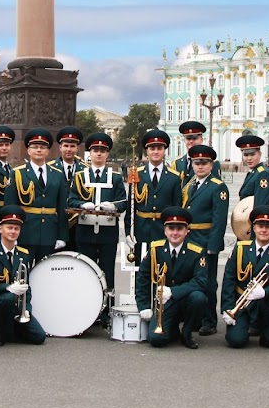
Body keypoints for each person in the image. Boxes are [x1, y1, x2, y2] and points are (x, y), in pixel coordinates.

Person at [68, 132, 127, 322]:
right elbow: (72, 199)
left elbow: (123, 202)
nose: (99, 154)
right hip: (85, 231)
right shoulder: (80, 176)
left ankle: (106, 312)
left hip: (107, 231)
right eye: (95, 151)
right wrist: (81, 205)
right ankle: (87, 309)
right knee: (87, 270)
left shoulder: (115, 177)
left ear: (107, 154)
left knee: (107, 271)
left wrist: (114, 206)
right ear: (89, 153)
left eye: (102, 151)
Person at [135, 207, 208, 349]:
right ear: (165, 230)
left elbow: (201, 282)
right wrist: (143, 306)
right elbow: (142, 279)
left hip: (186, 300)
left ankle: (187, 333)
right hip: (163, 304)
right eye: (171, 228)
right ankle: (173, 329)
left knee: (199, 298)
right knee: (156, 340)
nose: (175, 233)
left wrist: (173, 292)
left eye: (180, 229)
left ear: (187, 231)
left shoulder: (197, 252)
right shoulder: (155, 249)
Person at [221, 206, 269, 351]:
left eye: (268, 227)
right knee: (236, 341)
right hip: (241, 304)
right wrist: (227, 308)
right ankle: (240, 327)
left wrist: (263, 292)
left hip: (262, 303)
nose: (264, 230)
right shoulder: (240, 248)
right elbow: (229, 280)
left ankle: (267, 337)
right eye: (260, 226)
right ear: (254, 228)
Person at [0, 206, 46, 347]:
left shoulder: (24, 254)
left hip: (15, 306)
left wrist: (27, 309)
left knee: (39, 337)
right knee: (7, 298)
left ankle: (6, 332)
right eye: (9, 228)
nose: (13, 232)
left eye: (16, 229)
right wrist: (8, 288)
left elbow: (27, 287)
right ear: (0, 229)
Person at [182, 143, 228, 336]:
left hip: (206, 239)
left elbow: (219, 219)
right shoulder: (190, 184)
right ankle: (195, 318)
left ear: (211, 165)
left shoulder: (218, 186)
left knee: (208, 283)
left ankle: (209, 321)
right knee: (191, 280)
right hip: (190, 239)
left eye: (204, 163)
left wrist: (213, 246)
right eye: (196, 163)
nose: (200, 166)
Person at [6, 127, 67, 262]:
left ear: (48, 151)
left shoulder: (57, 174)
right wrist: (11, 235)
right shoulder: (17, 173)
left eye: (42, 147)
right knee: (22, 273)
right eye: (35, 147)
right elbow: (10, 207)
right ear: (28, 150)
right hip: (25, 233)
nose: (39, 150)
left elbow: (62, 207)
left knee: (45, 276)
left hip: (49, 233)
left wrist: (62, 236)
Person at [123, 129, 180, 265]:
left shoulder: (174, 177)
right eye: (152, 148)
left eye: (159, 148)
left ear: (164, 150)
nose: (155, 152)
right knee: (140, 272)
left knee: (163, 271)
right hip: (141, 231)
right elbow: (130, 207)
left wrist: (175, 232)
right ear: (147, 151)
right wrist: (128, 232)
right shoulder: (136, 174)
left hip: (164, 231)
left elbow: (177, 208)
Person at [51, 125, 85, 253]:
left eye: (72, 146)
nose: (68, 149)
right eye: (65, 146)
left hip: (79, 224)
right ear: (60, 147)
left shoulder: (85, 170)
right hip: (57, 223)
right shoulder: (50, 169)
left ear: (77, 148)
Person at [174, 120, 221, 186]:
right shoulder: (176, 164)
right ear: (184, 140)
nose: (191, 141)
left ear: (201, 139)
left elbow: (216, 187)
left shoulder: (212, 163)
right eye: (188, 139)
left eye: (194, 138)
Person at [236, 134, 269, 205]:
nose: (249, 158)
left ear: (260, 154)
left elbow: (262, 203)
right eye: (246, 155)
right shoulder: (254, 172)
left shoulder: (263, 174)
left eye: (252, 154)